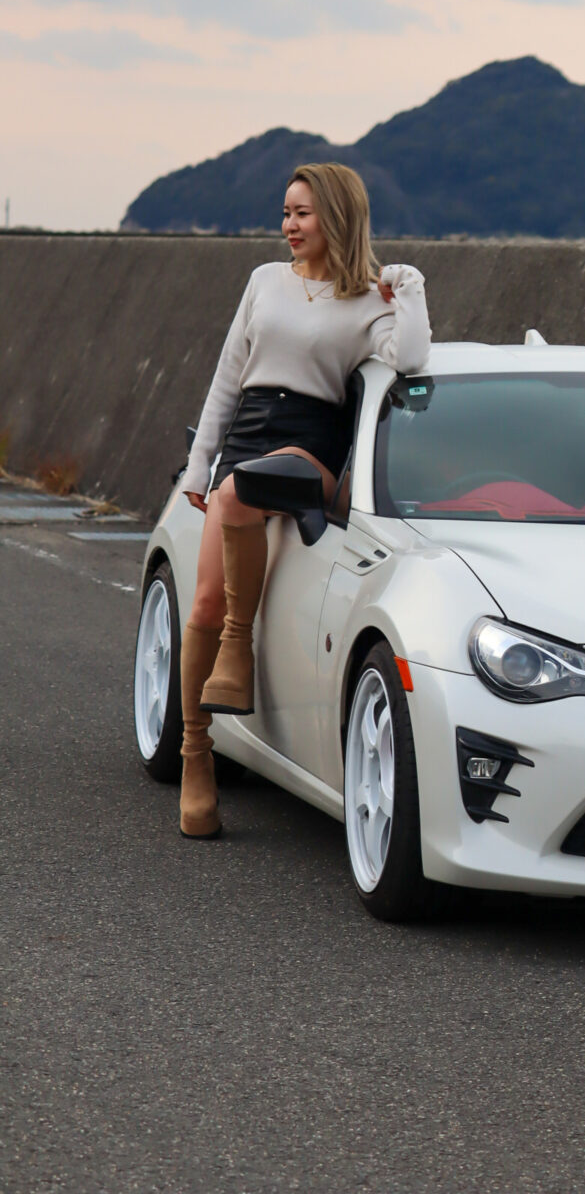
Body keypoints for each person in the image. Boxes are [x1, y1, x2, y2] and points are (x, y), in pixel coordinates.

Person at [176, 161, 431, 841]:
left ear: (336, 217)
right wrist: (201, 462)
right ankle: (196, 755)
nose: (288, 225)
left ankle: (239, 648)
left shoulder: (369, 301)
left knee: (245, 491)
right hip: (248, 438)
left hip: (309, 447)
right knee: (203, 602)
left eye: (302, 213)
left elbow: (411, 358)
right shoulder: (264, 281)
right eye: (286, 212)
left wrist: (408, 287)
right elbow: (228, 377)